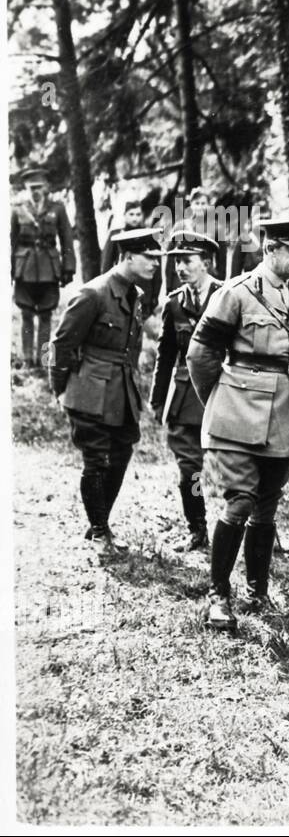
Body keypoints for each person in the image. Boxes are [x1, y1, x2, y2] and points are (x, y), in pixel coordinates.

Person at [186, 218, 289, 631]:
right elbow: (200, 354)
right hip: (238, 411)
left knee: (267, 504)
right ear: (270, 249)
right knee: (239, 502)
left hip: (282, 410)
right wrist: (220, 403)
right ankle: (218, 594)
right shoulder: (236, 292)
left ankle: (258, 589)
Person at [48, 226, 163, 551]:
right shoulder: (94, 293)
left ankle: (100, 522)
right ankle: (99, 531)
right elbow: (59, 345)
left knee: (122, 452)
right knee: (96, 460)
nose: (156, 264)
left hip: (121, 392)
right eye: (149, 257)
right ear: (126, 256)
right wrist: (60, 389)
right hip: (89, 391)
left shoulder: (135, 295)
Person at [150, 227, 223, 552]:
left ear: (206, 262)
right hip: (183, 398)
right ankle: (197, 529)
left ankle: (262, 530)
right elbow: (165, 355)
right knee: (188, 472)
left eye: (187, 260)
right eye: (176, 261)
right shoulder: (174, 303)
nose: (180, 267)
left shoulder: (226, 296)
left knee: (242, 470)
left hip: (223, 394)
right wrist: (156, 398)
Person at [12, 166, 76, 369]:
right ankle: (27, 361)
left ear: (46, 187)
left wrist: (68, 267)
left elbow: (66, 239)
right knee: (26, 315)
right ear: (26, 188)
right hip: (24, 269)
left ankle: (45, 361)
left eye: (39, 187)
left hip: (49, 269)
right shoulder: (17, 210)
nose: (35, 192)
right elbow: (10, 242)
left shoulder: (57, 209)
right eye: (32, 188)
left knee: (47, 317)